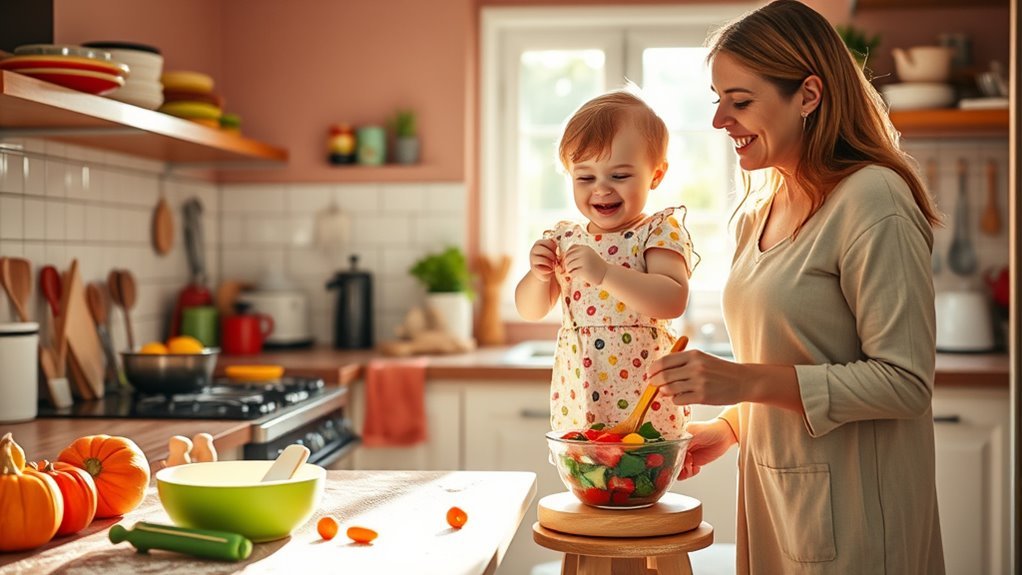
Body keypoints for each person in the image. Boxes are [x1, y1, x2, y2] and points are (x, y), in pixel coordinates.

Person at [645, 1, 945, 573]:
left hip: (859, 517)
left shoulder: (872, 199)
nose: (719, 122)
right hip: (776, 499)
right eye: (717, 101)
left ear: (808, 95)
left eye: (740, 101)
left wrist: (738, 380)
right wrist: (733, 425)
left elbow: (905, 382)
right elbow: (794, 355)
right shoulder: (757, 210)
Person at [515, 90, 695, 438]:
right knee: (592, 482)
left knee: (642, 482)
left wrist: (606, 273)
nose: (601, 189)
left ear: (656, 175)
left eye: (619, 176)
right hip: (580, 397)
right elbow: (530, 310)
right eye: (585, 178)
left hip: (645, 400)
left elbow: (672, 299)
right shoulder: (566, 238)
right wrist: (537, 276)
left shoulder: (657, 231)